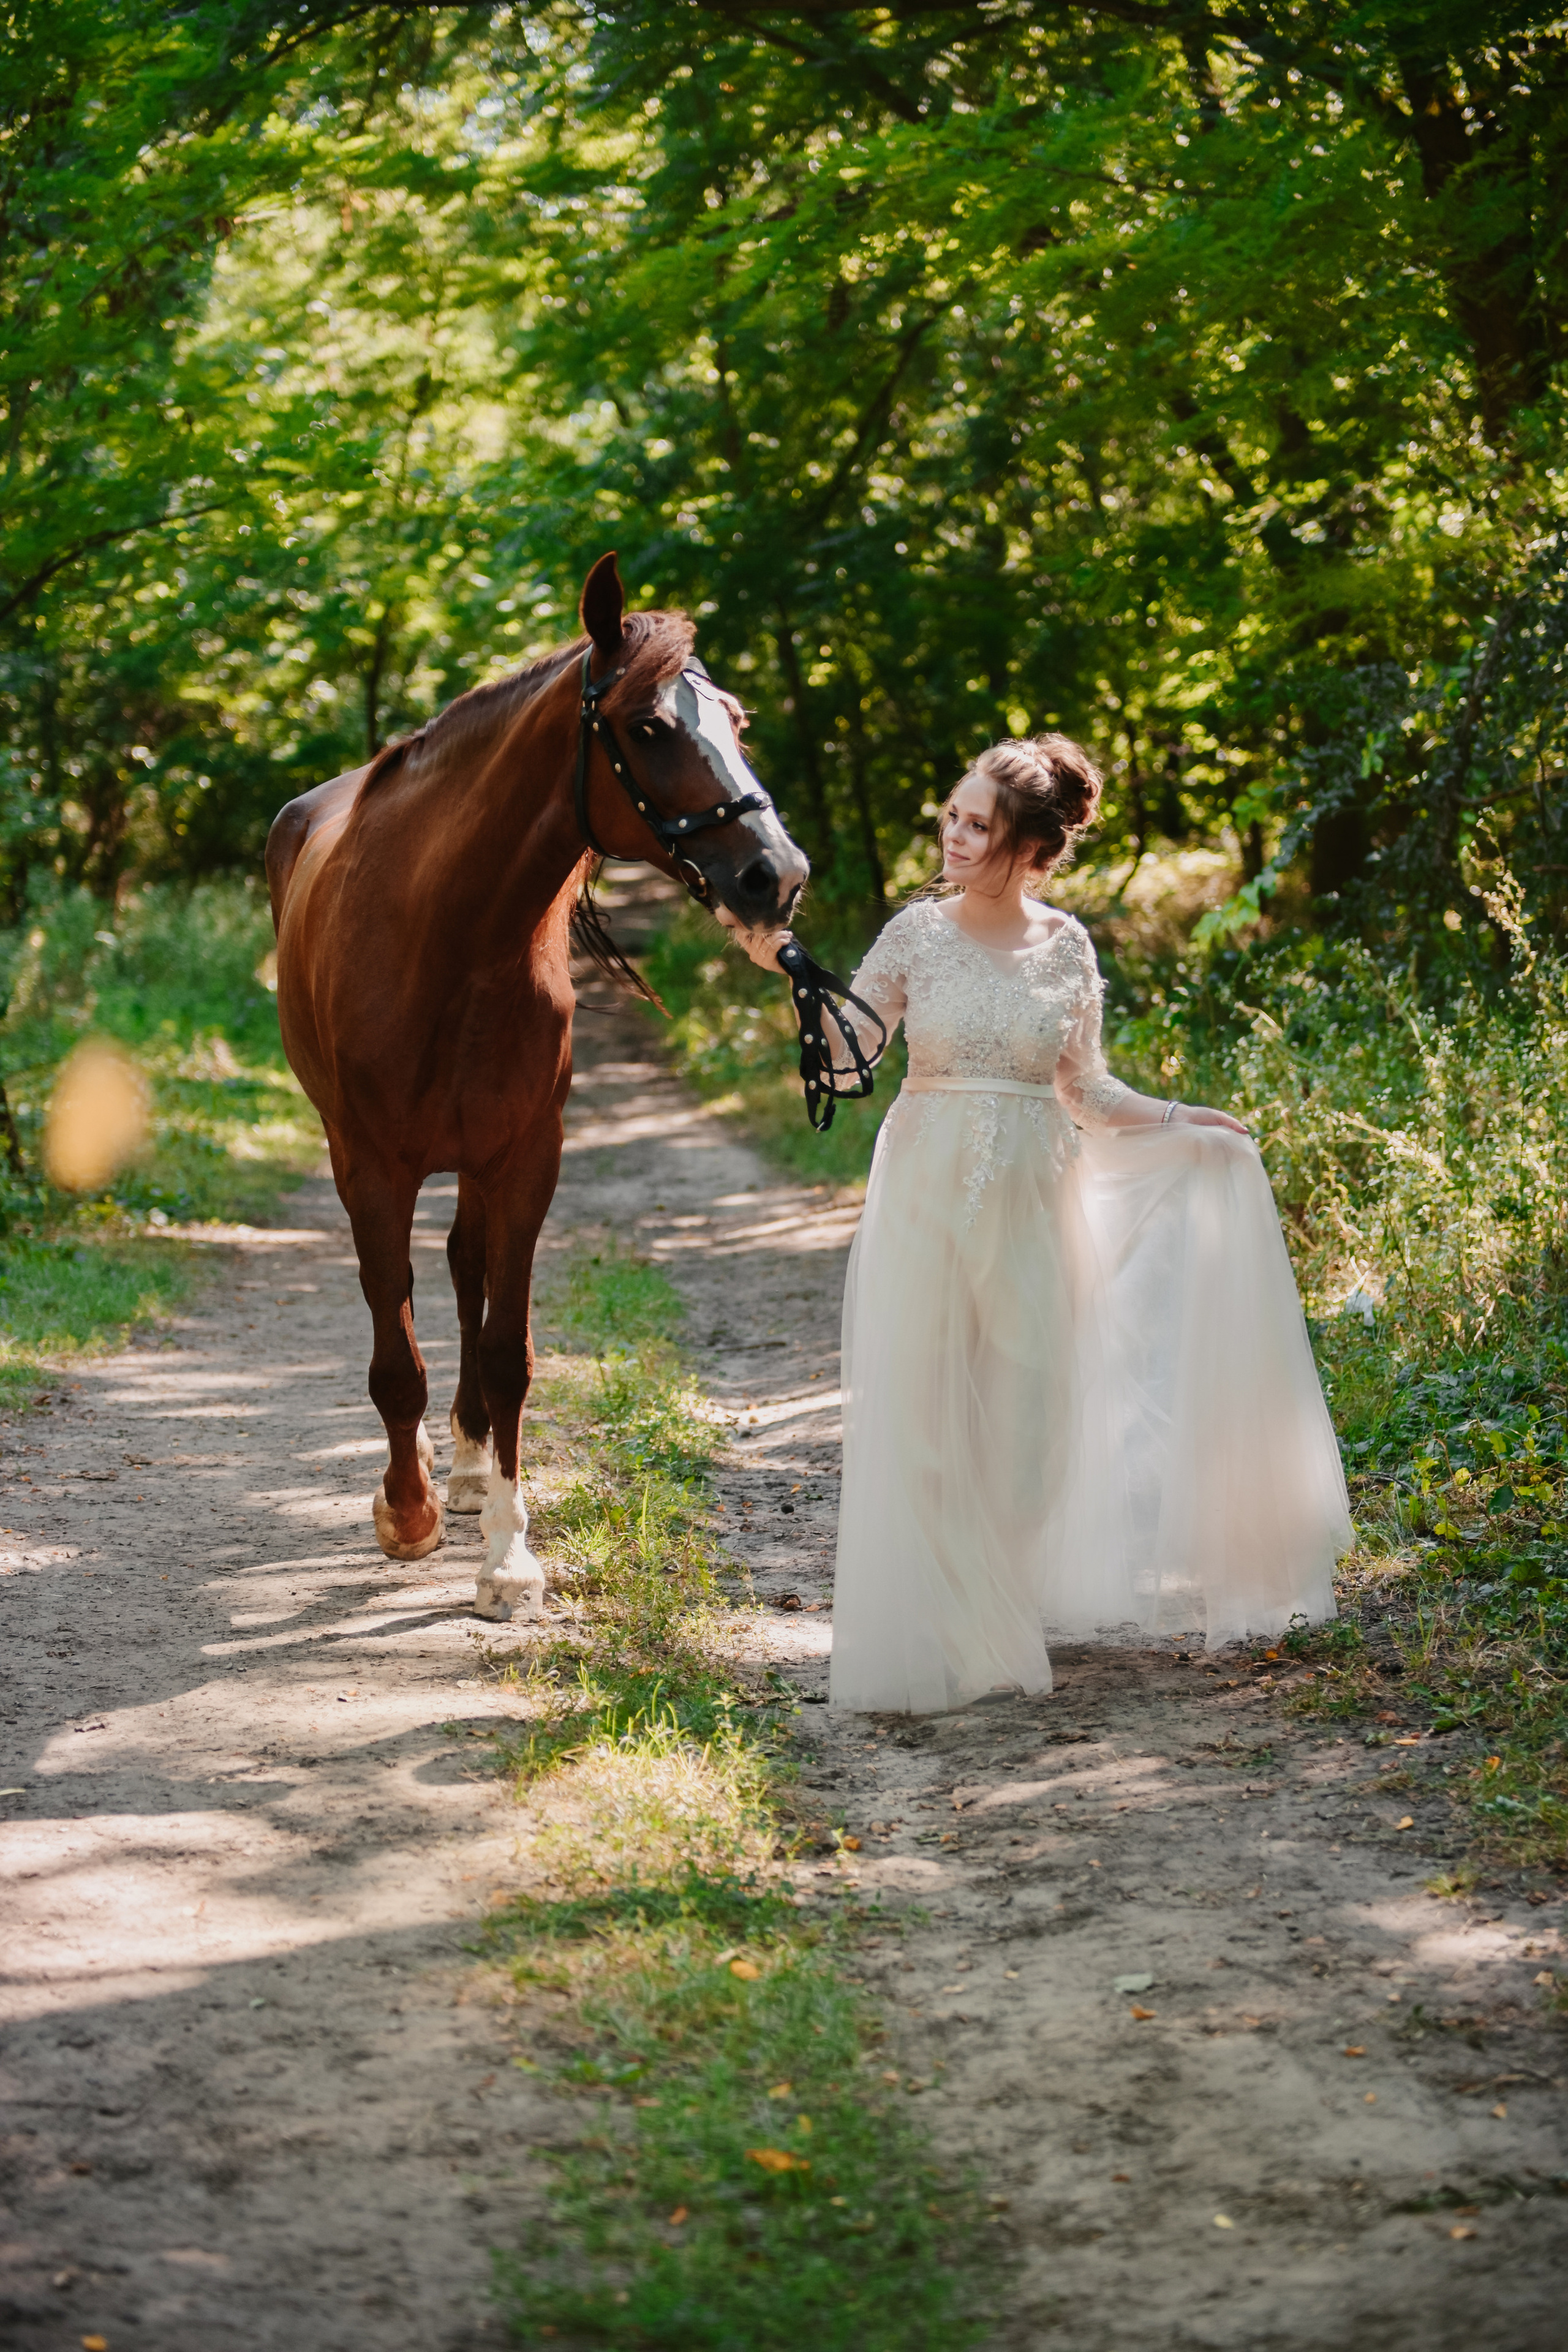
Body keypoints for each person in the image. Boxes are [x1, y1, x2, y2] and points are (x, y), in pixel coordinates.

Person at [731, 734, 1352, 1716]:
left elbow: (1089, 1088)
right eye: (953, 815)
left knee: (1034, 1418)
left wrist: (1189, 1123)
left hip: (1034, 1195)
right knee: (927, 1414)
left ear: (1028, 847)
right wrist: (793, 975)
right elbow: (854, 1060)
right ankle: (963, 1626)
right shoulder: (913, 936)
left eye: (978, 824)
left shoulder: (1066, 946)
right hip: (929, 1183)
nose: (955, 835)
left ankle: (994, 1587)